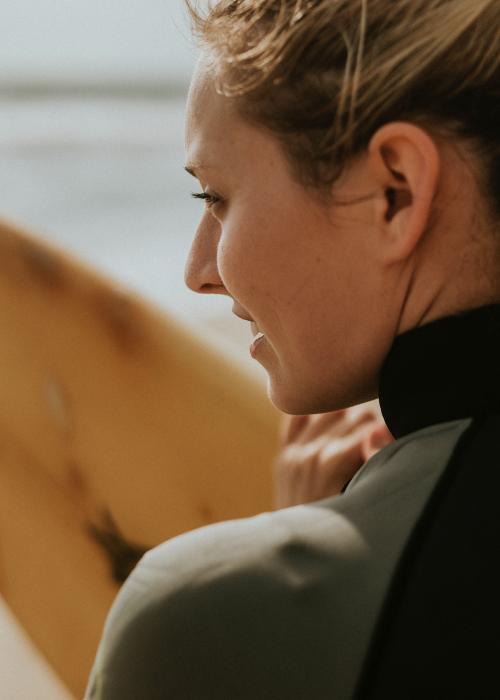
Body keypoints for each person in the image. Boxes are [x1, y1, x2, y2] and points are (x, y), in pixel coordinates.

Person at [84, 0, 500, 697]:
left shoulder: (205, 620)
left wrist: (295, 573)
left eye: (214, 197)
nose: (198, 271)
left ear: (394, 192)